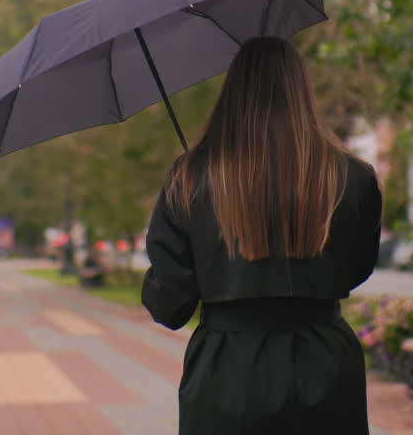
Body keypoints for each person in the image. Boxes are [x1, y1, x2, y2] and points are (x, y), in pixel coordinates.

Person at [141, 36, 382, 435]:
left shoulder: (191, 178)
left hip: (227, 374)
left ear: (232, 94)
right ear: (300, 90)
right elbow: (355, 270)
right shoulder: (352, 177)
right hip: (325, 366)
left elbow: (169, 305)